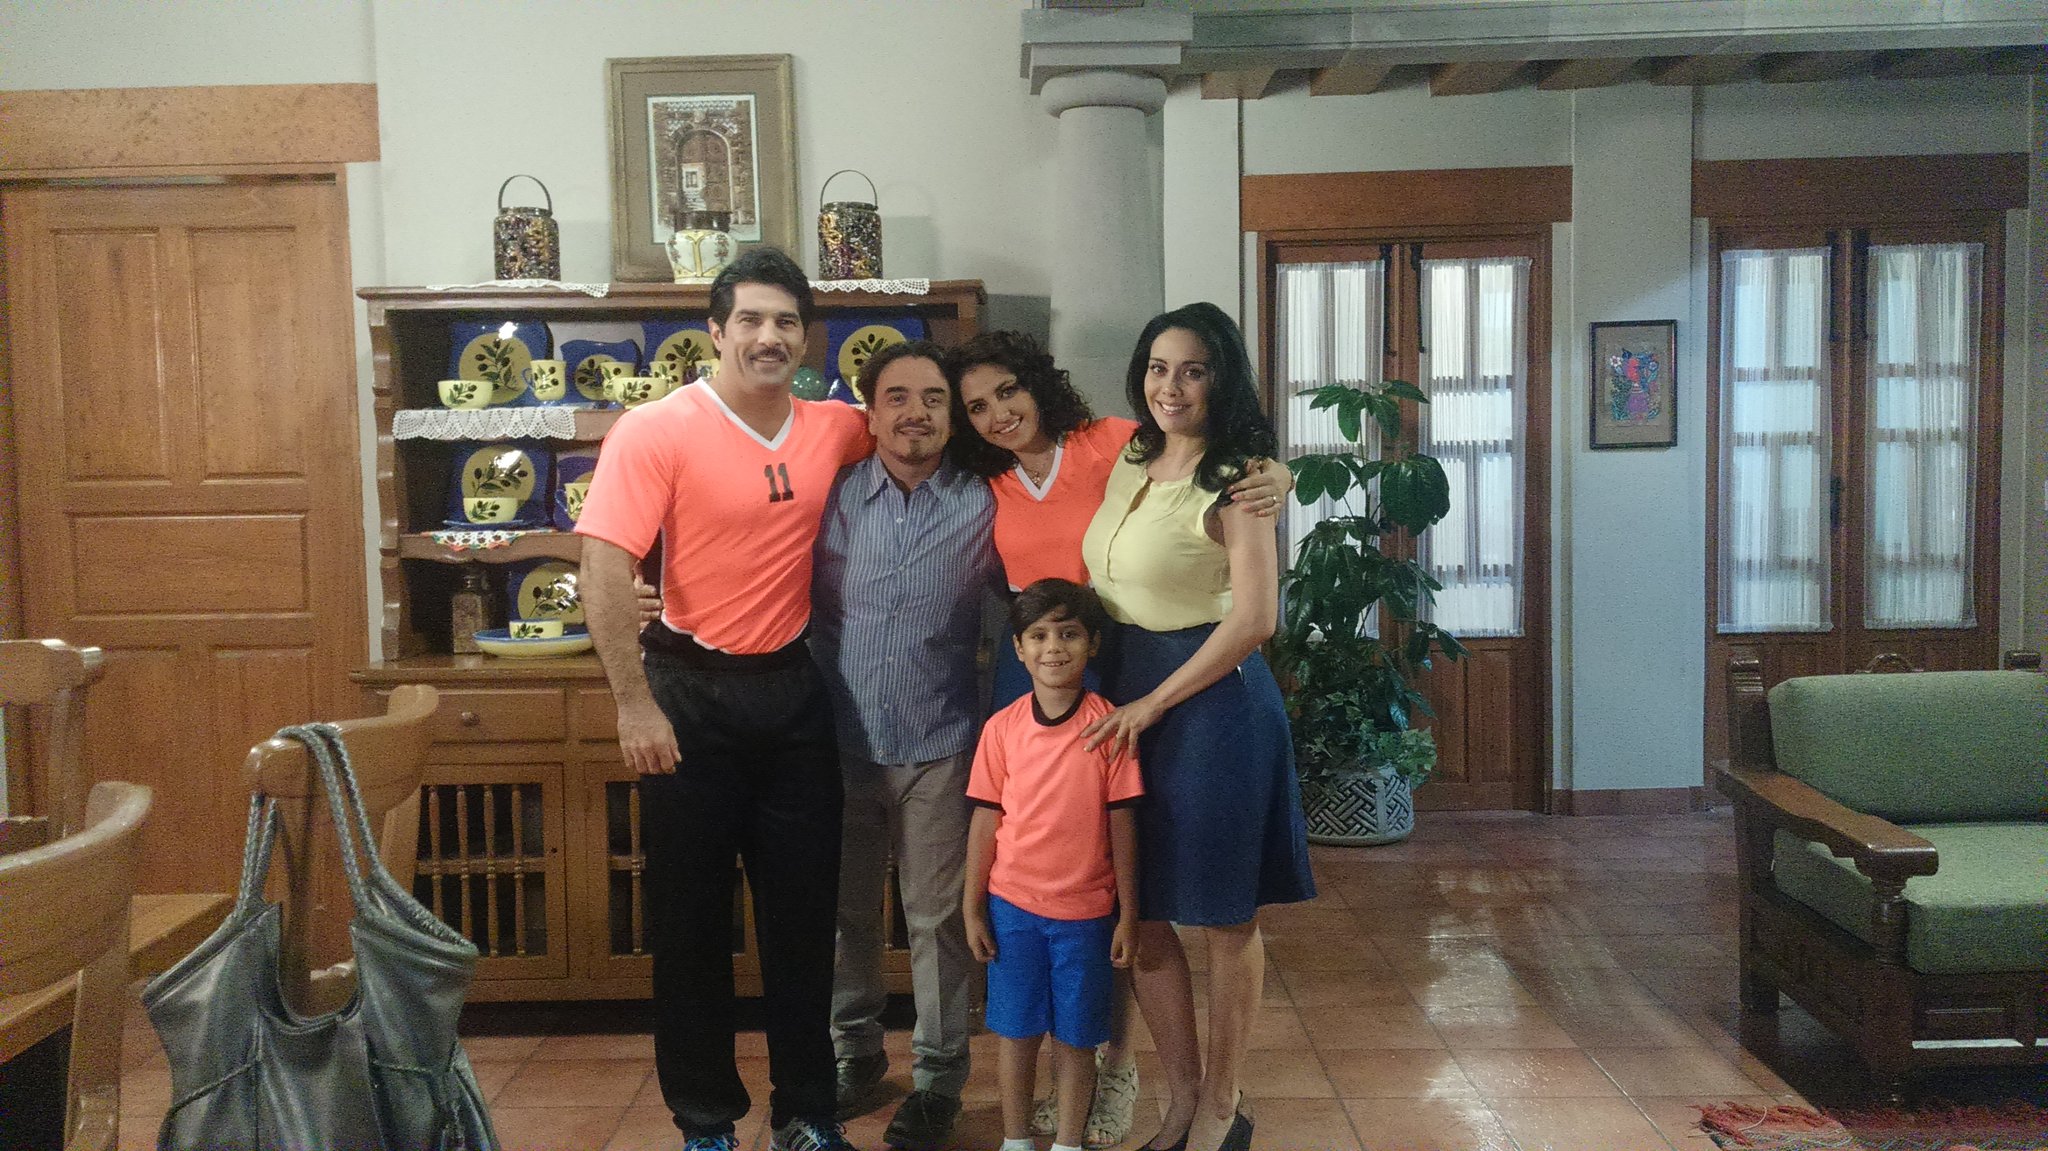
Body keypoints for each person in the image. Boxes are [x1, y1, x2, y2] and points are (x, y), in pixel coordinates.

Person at [944, 330, 1294, 1146]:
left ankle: (1132, 1069)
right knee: (1101, 884)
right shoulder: (983, 479)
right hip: (1050, 677)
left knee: (1185, 894)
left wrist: (1280, 473)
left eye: (1008, 390)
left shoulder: (1114, 442)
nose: (998, 412)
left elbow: (1212, 457)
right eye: (977, 405)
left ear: (1038, 381)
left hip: (1130, 669)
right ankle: (1142, 1078)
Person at [576, 247, 869, 1151]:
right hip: (687, 696)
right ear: (715, 331)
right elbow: (603, 565)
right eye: (750, 319)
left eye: (786, 321)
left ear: (807, 339)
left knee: (803, 920)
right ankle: (705, 1119)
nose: (768, 336)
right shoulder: (656, 430)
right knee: (690, 922)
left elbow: (933, 436)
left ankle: (806, 1111)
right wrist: (634, 704)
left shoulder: (835, 427)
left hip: (792, 692)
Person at [1079, 302, 1316, 1151]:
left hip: (1212, 703)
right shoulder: (1129, 453)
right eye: (1158, 367)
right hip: (1124, 691)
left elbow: (1255, 617)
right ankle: (1180, 1096)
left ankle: (1221, 1102)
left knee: (1223, 914)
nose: (1171, 386)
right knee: (1139, 908)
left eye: (1193, 370)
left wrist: (1155, 701)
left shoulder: (1240, 480)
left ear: (1223, 379)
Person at [810, 339, 999, 1151]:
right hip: (837, 739)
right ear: (870, 410)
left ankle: (938, 1079)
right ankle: (854, 1055)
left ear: (953, 416)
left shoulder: (987, 501)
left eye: (933, 398)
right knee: (844, 911)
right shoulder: (830, 494)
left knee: (937, 920)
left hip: (941, 740)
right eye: (898, 396)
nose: (915, 412)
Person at [963, 579, 1142, 1151]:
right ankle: (1015, 1140)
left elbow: (1123, 826)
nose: (1053, 648)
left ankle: (1067, 1142)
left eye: (1068, 634)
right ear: (1018, 648)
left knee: (1075, 1040)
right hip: (1012, 911)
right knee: (1016, 1036)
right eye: (1038, 635)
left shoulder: (1110, 728)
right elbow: (985, 820)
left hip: (1085, 917)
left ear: (1092, 643)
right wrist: (972, 907)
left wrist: (1128, 915)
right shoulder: (1001, 729)